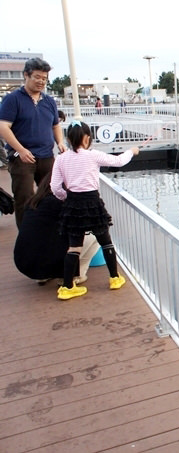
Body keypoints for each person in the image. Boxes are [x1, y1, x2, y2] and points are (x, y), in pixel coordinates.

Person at [50, 120, 139, 300]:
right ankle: (114, 278)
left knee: (74, 246)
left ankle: (68, 287)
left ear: (68, 138)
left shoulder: (61, 158)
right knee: (105, 241)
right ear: (86, 139)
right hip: (92, 202)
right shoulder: (92, 155)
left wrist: (67, 198)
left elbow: (55, 187)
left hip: (73, 204)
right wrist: (132, 151)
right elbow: (119, 161)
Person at [0, 57, 66, 227]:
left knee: (53, 194)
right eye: (37, 77)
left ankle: (51, 231)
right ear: (26, 75)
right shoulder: (13, 99)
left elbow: (55, 125)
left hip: (46, 156)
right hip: (22, 157)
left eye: (44, 78)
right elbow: (3, 127)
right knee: (24, 198)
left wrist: (60, 142)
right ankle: (26, 236)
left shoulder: (49, 101)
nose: (41, 81)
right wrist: (21, 150)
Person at [14, 171, 99, 285]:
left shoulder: (33, 202)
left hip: (25, 263)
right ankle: (73, 276)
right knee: (95, 234)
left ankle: (44, 277)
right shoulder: (64, 203)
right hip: (51, 262)